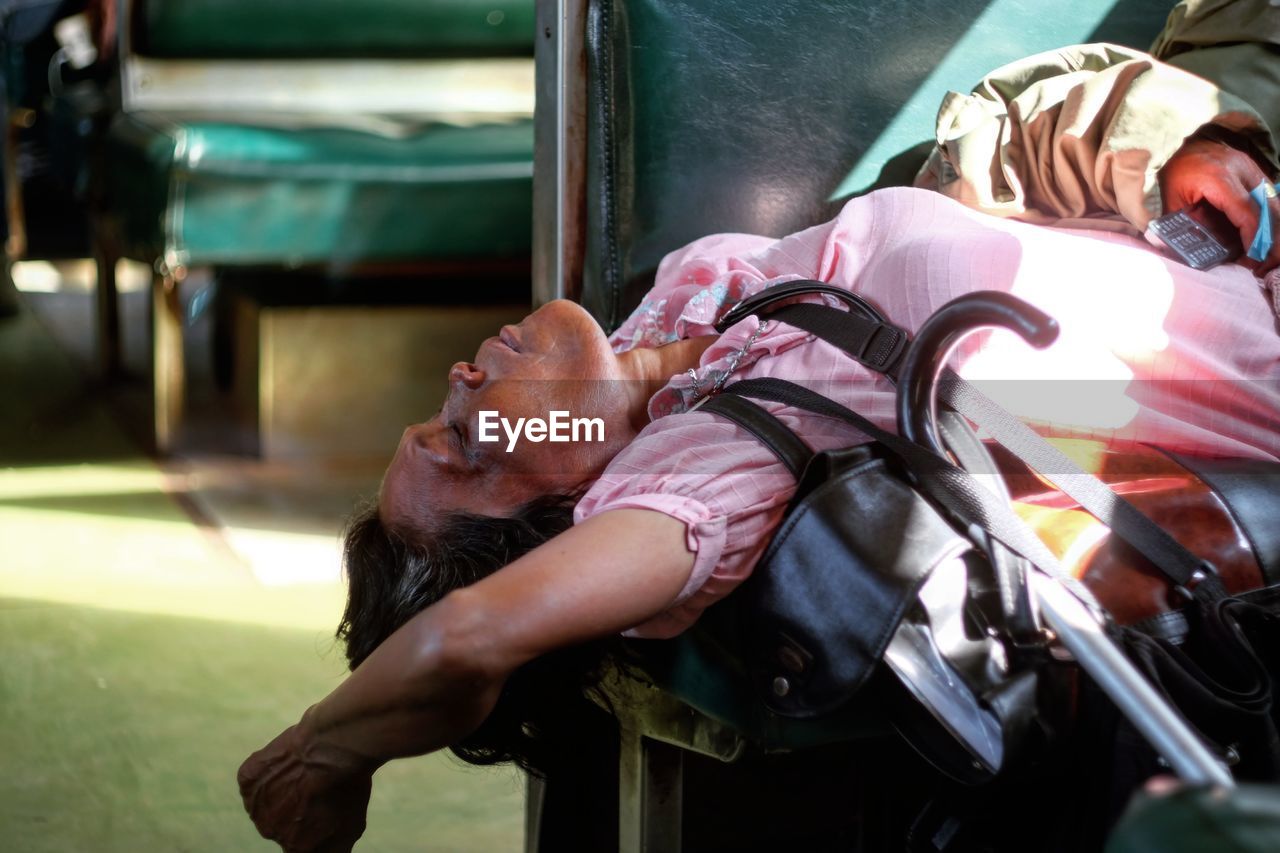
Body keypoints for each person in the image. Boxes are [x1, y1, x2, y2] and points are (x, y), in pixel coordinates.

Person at [237, 141, 1280, 849]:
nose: (464, 386)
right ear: (555, 519)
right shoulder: (699, 465)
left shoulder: (679, 330)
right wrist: (321, 752)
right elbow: (471, 638)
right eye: (468, 445)